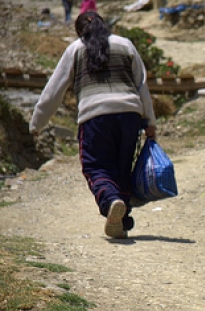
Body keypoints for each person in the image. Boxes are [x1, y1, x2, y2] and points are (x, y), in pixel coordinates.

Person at [29, 12, 157, 240]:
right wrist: (150, 121)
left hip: (95, 117)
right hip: (130, 115)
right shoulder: (125, 44)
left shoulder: (76, 49)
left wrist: (37, 122)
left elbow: (53, 90)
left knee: (95, 166)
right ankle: (121, 221)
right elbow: (141, 85)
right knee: (122, 168)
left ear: (79, 31)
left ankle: (111, 201)